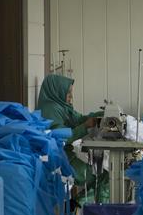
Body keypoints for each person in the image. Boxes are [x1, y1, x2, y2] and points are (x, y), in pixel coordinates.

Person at [36, 74, 104, 204]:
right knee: (101, 170)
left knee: (102, 165)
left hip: (67, 154)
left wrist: (100, 115)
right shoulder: (50, 110)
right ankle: (85, 207)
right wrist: (85, 126)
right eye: (68, 93)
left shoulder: (62, 107)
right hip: (60, 160)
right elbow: (60, 138)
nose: (71, 97)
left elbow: (79, 118)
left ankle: (81, 205)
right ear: (57, 91)